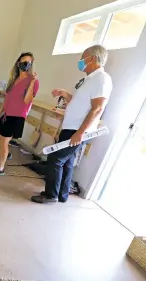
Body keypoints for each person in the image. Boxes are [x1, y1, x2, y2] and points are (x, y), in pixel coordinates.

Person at [31, 45, 113, 204]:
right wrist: (64, 94)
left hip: (78, 130)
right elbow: (79, 103)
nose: (80, 61)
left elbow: (97, 109)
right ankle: (62, 195)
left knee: (55, 159)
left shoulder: (101, 79)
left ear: (93, 59)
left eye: (83, 58)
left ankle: (50, 195)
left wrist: (80, 133)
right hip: (71, 128)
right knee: (67, 162)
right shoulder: (89, 80)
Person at [0, 52, 40, 175]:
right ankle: (6, 153)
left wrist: (31, 83)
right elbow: (7, 99)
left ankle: (0, 169)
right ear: (18, 63)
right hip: (6, 115)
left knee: (4, 142)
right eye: (24, 62)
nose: (26, 64)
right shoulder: (14, 80)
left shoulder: (33, 81)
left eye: (29, 63)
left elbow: (27, 100)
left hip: (17, 116)